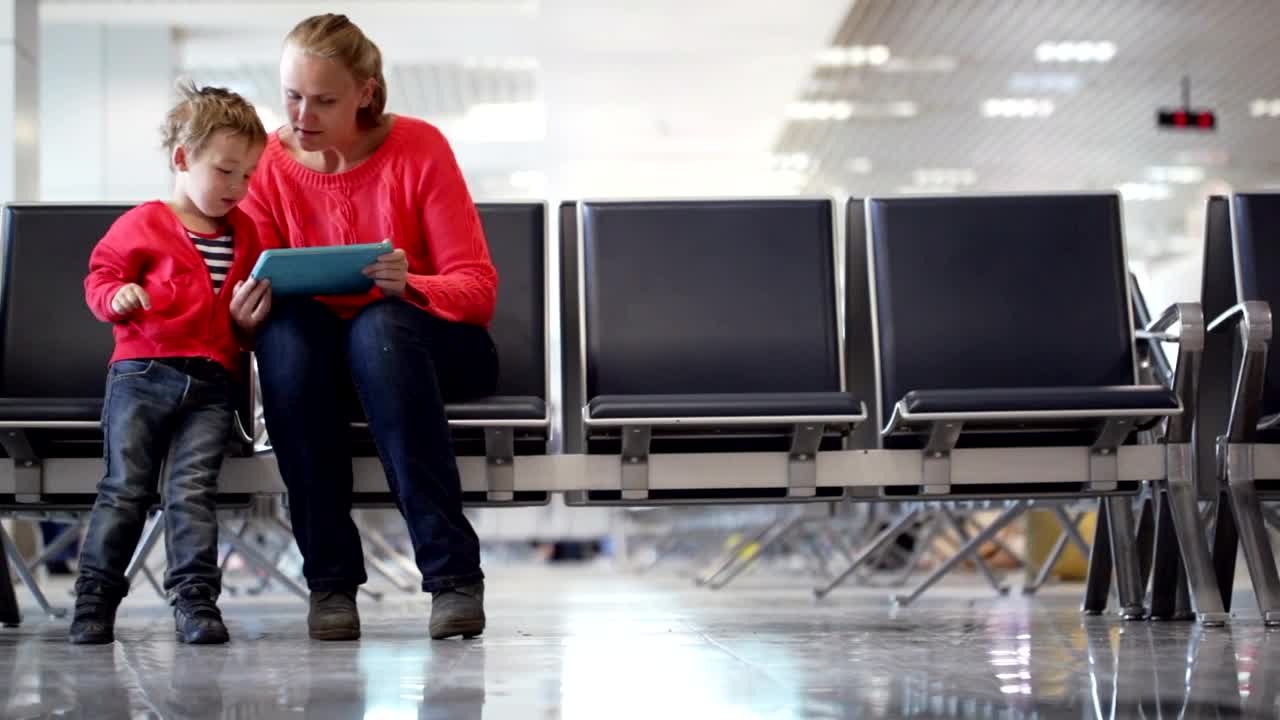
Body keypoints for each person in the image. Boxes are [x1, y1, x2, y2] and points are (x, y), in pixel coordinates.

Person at [240, 13, 499, 641]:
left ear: (366, 92)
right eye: (292, 96)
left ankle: (453, 578)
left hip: (427, 346)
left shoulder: (420, 147)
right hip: (322, 363)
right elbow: (258, 287)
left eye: (324, 100)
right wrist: (245, 315)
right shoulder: (266, 164)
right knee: (286, 333)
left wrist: (411, 285)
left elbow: (477, 289)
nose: (303, 115)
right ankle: (330, 583)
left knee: (378, 327)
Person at [71, 83, 274, 645]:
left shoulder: (247, 233)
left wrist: (250, 323)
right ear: (183, 159)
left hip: (213, 383)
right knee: (125, 489)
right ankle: (94, 602)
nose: (238, 187)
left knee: (192, 492)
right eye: (225, 171)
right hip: (143, 374)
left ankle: (195, 602)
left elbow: (243, 321)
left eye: (248, 175)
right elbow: (101, 277)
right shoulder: (143, 223)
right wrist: (116, 297)